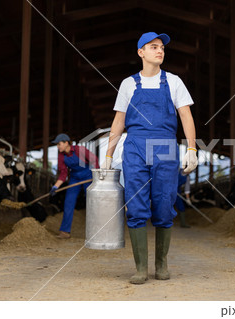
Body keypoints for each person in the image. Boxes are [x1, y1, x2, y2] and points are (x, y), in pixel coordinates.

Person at [105, 32, 198, 284]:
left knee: (164, 202)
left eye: (162, 47)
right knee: (135, 204)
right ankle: (140, 268)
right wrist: (108, 154)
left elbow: (186, 116)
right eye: (153, 47)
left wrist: (191, 149)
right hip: (135, 145)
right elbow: (118, 121)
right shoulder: (128, 84)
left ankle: (161, 264)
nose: (160, 51)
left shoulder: (174, 81)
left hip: (165, 145)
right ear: (140, 52)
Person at [50, 133, 99, 239]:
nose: (58, 147)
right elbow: (63, 174)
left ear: (66, 143)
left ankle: (97, 231)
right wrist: (55, 187)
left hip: (88, 175)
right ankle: (65, 231)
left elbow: (94, 160)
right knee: (68, 202)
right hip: (74, 178)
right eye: (57, 145)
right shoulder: (61, 156)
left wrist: (97, 177)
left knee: (92, 203)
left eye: (59, 144)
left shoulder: (79, 150)